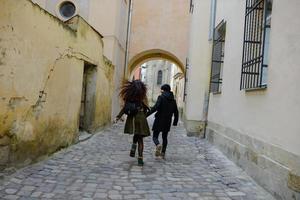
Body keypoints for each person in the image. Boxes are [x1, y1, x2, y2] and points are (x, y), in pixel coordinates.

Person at [115, 80, 150, 166]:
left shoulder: (129, 97)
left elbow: (124, 108)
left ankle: (133, 149)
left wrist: (118, 117)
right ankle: (140, 159)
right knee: (140, 138)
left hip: (132, 119)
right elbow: (147, 108)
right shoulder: (142, 97)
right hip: (141, 117)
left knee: (136, 134)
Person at [147, 84, 178, 159]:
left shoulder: (161, 97)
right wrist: (175, 122)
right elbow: (176, 112)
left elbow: (156, 107)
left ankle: (158, 144)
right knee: (165, 137)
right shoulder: (173, 100)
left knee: (155, 136)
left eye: (161, 89)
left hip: (159, 119)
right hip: (167, 121)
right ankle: (163, 153)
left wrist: (147, 115)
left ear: (163, 90)